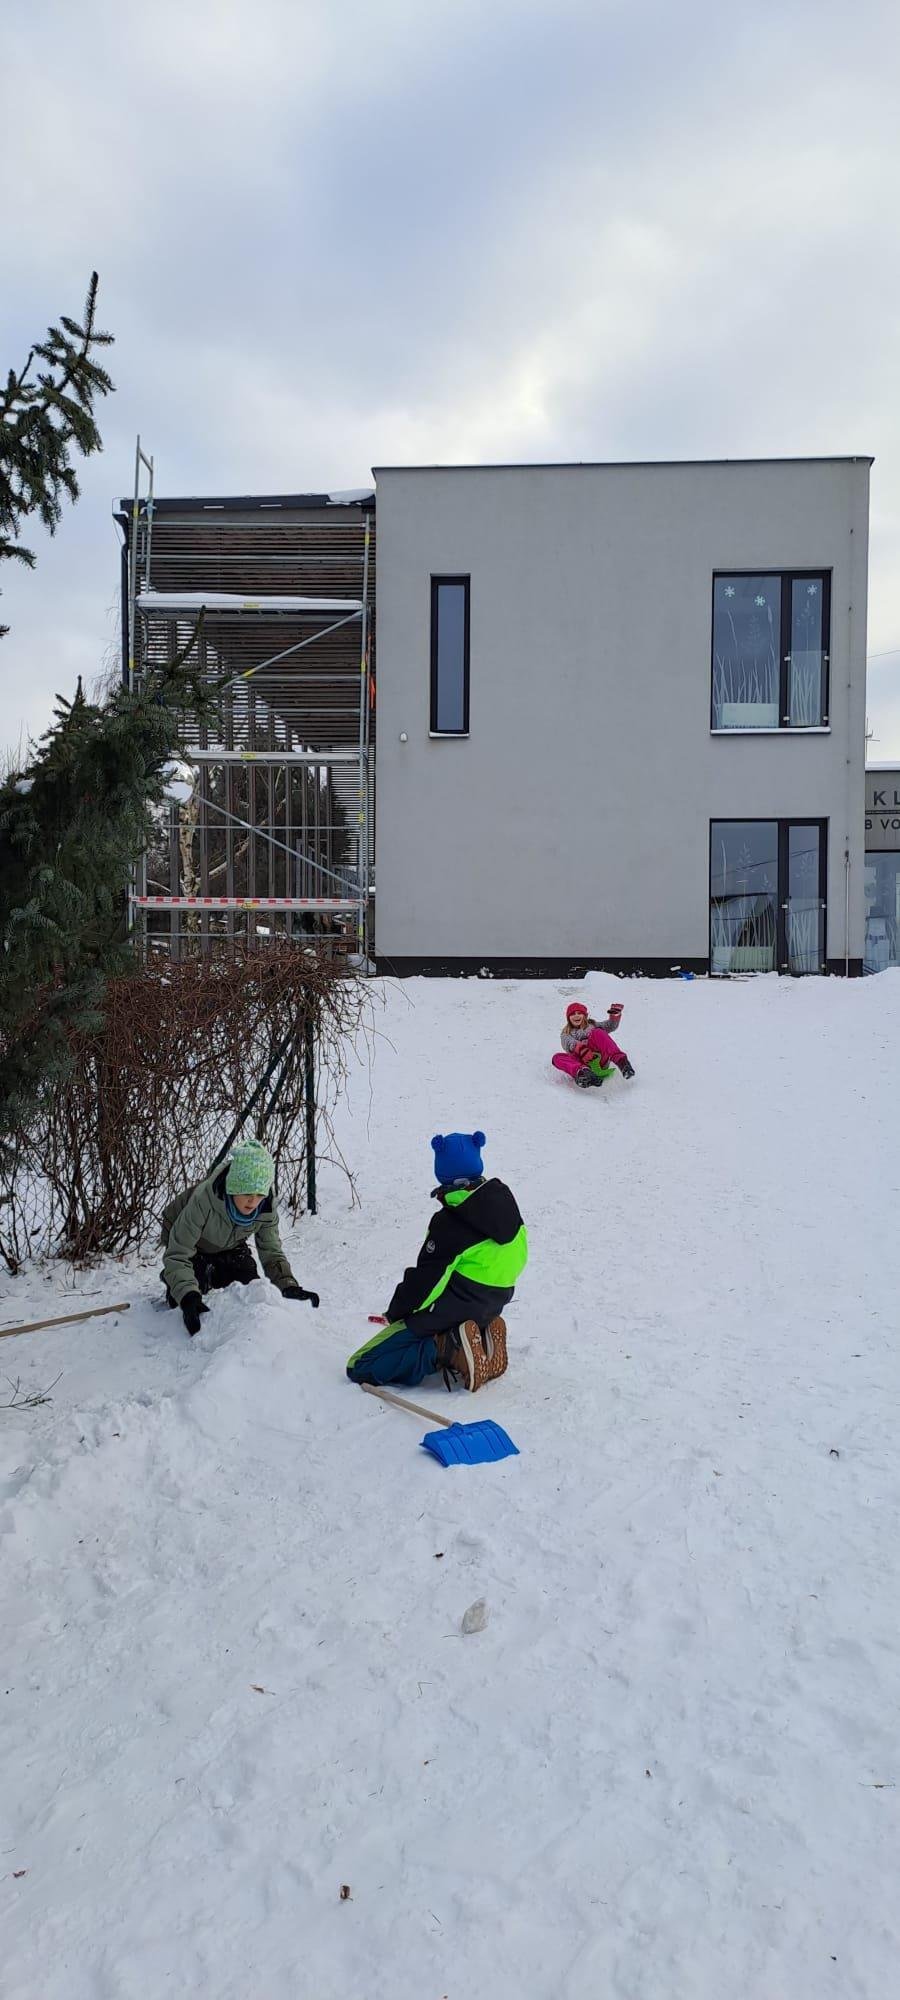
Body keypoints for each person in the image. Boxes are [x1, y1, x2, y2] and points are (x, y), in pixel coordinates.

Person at [346, 1130, 528, 1392]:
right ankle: (480, 1333)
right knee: (439, 1317)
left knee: (360, 1365)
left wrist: (397, 1313)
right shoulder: (503, 1201)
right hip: (495, 1300)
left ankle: (448, 1347)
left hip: (457, 1305)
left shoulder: (451, 1222)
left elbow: (426, 1283)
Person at [160, 1136, 319, 1336]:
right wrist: (187, 1295)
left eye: (259, 1194)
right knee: (190, 1294)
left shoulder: (265, 1208)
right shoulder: (204, 1200)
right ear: (232, 1188)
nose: (253, 1201)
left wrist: (288, 1286)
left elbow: (271, 1251)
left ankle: (215, 1269)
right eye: (246, 1193)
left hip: (230, 1243)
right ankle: (172, 1277)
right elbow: (178, 1252)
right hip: (189, 1242)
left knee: (249, 1288)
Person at [552, 999, 635, 1088]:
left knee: (598, 1032)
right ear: (568, 1018)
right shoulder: (566, 1033)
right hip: (582, 1063)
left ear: (585, 1016)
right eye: (572, 1014)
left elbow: (610, 1026)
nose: (576, 1015)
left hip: (600, 1059)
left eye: (579, 1013)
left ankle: (622, 1062)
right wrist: (582, 1049)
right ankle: (583, 1074)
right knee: (556, 1057)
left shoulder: (593, 1025)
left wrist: (614, 1015)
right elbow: (569, 1043)